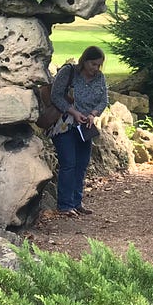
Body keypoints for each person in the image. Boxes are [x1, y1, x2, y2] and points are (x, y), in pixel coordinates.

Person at [49, 46, 108, 217]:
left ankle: (76, 202)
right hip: (65, 124)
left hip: (85, 126)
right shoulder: (69, 73)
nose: (95, 68)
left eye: (99, 65)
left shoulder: (99, 78)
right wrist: (73, 112)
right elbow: (56, 95)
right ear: (84, 61)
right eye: (93, 64)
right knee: (69, 163)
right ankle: (65, 205)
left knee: (82, 164)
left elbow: (103, 100)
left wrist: (93, 115)